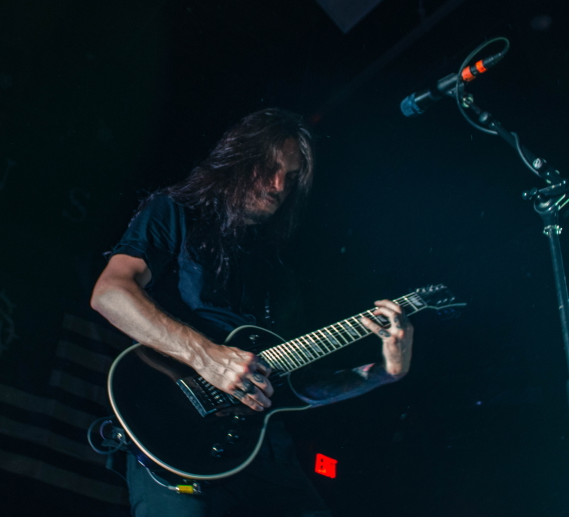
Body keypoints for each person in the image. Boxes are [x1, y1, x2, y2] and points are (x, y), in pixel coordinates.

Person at [90, 108, 414, 517]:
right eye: (269, 168)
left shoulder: (279, 274)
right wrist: (206, 357)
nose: (279, 186)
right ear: (239, 157)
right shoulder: (175, 212)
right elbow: (110, 293)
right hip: (177, 440)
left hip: (264, 456)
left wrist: (385, 374)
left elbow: (300, 389)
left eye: (291, 178)